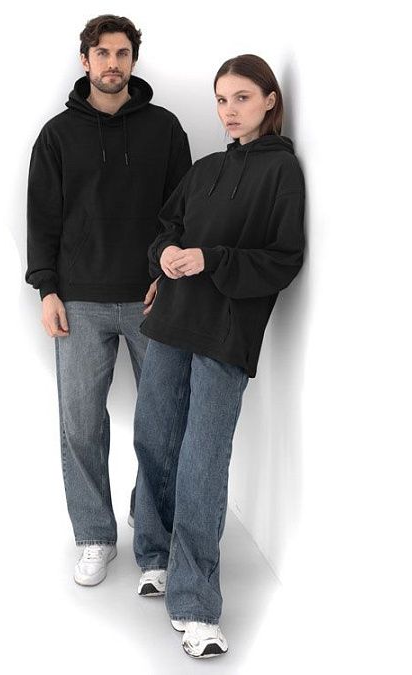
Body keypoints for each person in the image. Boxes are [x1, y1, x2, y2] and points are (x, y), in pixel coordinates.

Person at [132, 54, 305, 658]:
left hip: (226, 332)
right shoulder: (205, 168)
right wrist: (165, 256)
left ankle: (196, 605)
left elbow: (284, 259)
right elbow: (165, 230)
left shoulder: (283, 173)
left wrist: (213, 259)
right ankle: (153, 554)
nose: (229, 111)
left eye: (242, 98)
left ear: (270, 100)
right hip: (170, 323)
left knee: (202, 461)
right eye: (222, 100)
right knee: (154, 438)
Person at [25, 15, 192, 587]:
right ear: (86, 60)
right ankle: (95, 536)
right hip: (79, 301)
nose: (112, 63)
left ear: (133, 60)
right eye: (102, 53)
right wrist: (47, 288)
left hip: (152, 299)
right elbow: (42, 217)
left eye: (122, 53)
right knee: (80, 425)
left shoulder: (165, 129)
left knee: (162, 424)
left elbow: (181, 215)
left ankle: (153, 529)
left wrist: (167, 279)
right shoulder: (57, 135)